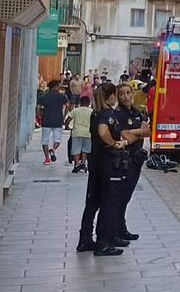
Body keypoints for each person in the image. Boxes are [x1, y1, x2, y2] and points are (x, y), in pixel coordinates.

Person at [104, 82, 151, 245]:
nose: (125, 97)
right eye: (122, 94)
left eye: (128, 93)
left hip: (136, 160)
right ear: (117, 96)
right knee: (119, 197)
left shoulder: (137, 112)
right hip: (124, 161)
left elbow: (148, 131)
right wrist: (138, 133)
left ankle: (122, 228)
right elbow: (126, 138)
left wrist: (135, 132)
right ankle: (115, 231)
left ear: (132, 94)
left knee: (127, 197)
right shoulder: (119, 114)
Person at [79, 83, 119, 254]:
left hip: (94, 162)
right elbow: (103, 132)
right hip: (105, 163)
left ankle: (85, 240)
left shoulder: (95, 113)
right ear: (111, 96)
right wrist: (114, 144)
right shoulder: (107, 114)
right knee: (107, 202)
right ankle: (103, 242)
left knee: (92, 203)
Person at [36, 79, 70, 165]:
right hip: (58, 120)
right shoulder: (62, 96)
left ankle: (47, 158)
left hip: (46, 120)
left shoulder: (44, 97)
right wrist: (65, 114)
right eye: (59, 86)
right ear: (55, 87)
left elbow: (38, 107)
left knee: (45, 140)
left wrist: (39, 116)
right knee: (57, 140)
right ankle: (53, 150)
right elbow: (68, 105)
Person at [64, 96, 94, 174]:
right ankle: (83, 163)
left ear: (80, 103)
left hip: (77, 132)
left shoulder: (76, 110)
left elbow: (68, 119)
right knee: (85, 150)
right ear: (89, 103)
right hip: (88, 133)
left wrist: (67, 127)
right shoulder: (92, 111)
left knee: (76, 149)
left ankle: (76, 165)